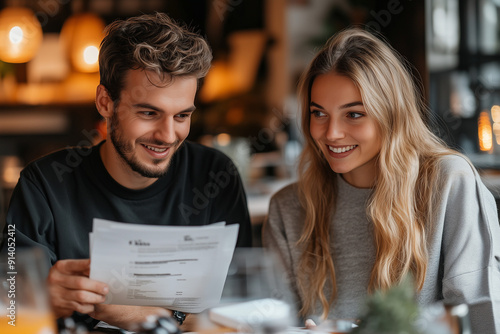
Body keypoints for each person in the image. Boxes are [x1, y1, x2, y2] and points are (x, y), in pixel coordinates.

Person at [1, 12, 252, 331]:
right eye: (149, 112)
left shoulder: (216, 176)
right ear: (105, 102)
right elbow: (10, 309)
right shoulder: (44, 184)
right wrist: (39, 299)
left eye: (181, 116)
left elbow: (244, 312)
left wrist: (140, 314)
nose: (167, 135)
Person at [262, 28, 500, 333]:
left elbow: (479, 321)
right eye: (318, 113)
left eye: (354, 114)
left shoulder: (450, 183)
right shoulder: (288, 209)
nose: (331, 132)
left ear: (391, 114)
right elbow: (272, 324)